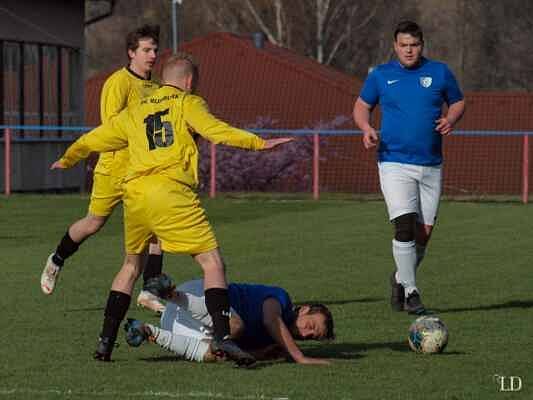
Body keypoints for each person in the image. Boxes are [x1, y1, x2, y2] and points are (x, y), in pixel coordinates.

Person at [50, 52, 293, 365]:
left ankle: (104, 343)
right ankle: (222, 337)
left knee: (130, 267)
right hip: (170, 191)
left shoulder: (135, 110)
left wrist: (68, 158)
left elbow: (94, 138)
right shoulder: (187, 102)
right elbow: (216, 131)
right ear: (189, 82)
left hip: (135, 195)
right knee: (212, 262)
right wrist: (259, 143)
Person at [40, 24, 167, 314]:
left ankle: (150, 289)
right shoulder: (118, 83)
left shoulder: (158, 87)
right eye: (146, 50)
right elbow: (112, 128)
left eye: (155, 50)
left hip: (143, 173)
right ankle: (57, 259)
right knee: (92, 223)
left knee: (157, 229)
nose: (152, 55)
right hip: (113, 169)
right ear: (131, 52)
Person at [353, 21, 465, 314]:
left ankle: (400, 278)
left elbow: (458, 102)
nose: (409, 50)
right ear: (395, 46)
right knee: (403, 225)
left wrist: (451, 119)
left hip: (430, 165)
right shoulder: (380, 75)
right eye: (403, 45)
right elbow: (361, 106)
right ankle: (412, 292)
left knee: (423, 235)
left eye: (413, 45)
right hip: (393, 162)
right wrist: (366, 127)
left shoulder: (439, 72)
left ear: (421, 45)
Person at [125, 276, 334, 365]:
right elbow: (272, 320)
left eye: (311, 337)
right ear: (304, 309)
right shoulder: (281, 299)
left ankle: (148, 331)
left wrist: (259, 354)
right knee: (234, 326)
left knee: (215, 353)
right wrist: (300, 357)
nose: (305, 334)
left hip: (175, 324)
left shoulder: (271, 342)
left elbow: (234, 351)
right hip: (197, 295)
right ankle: (170, 294)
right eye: (311, 325)